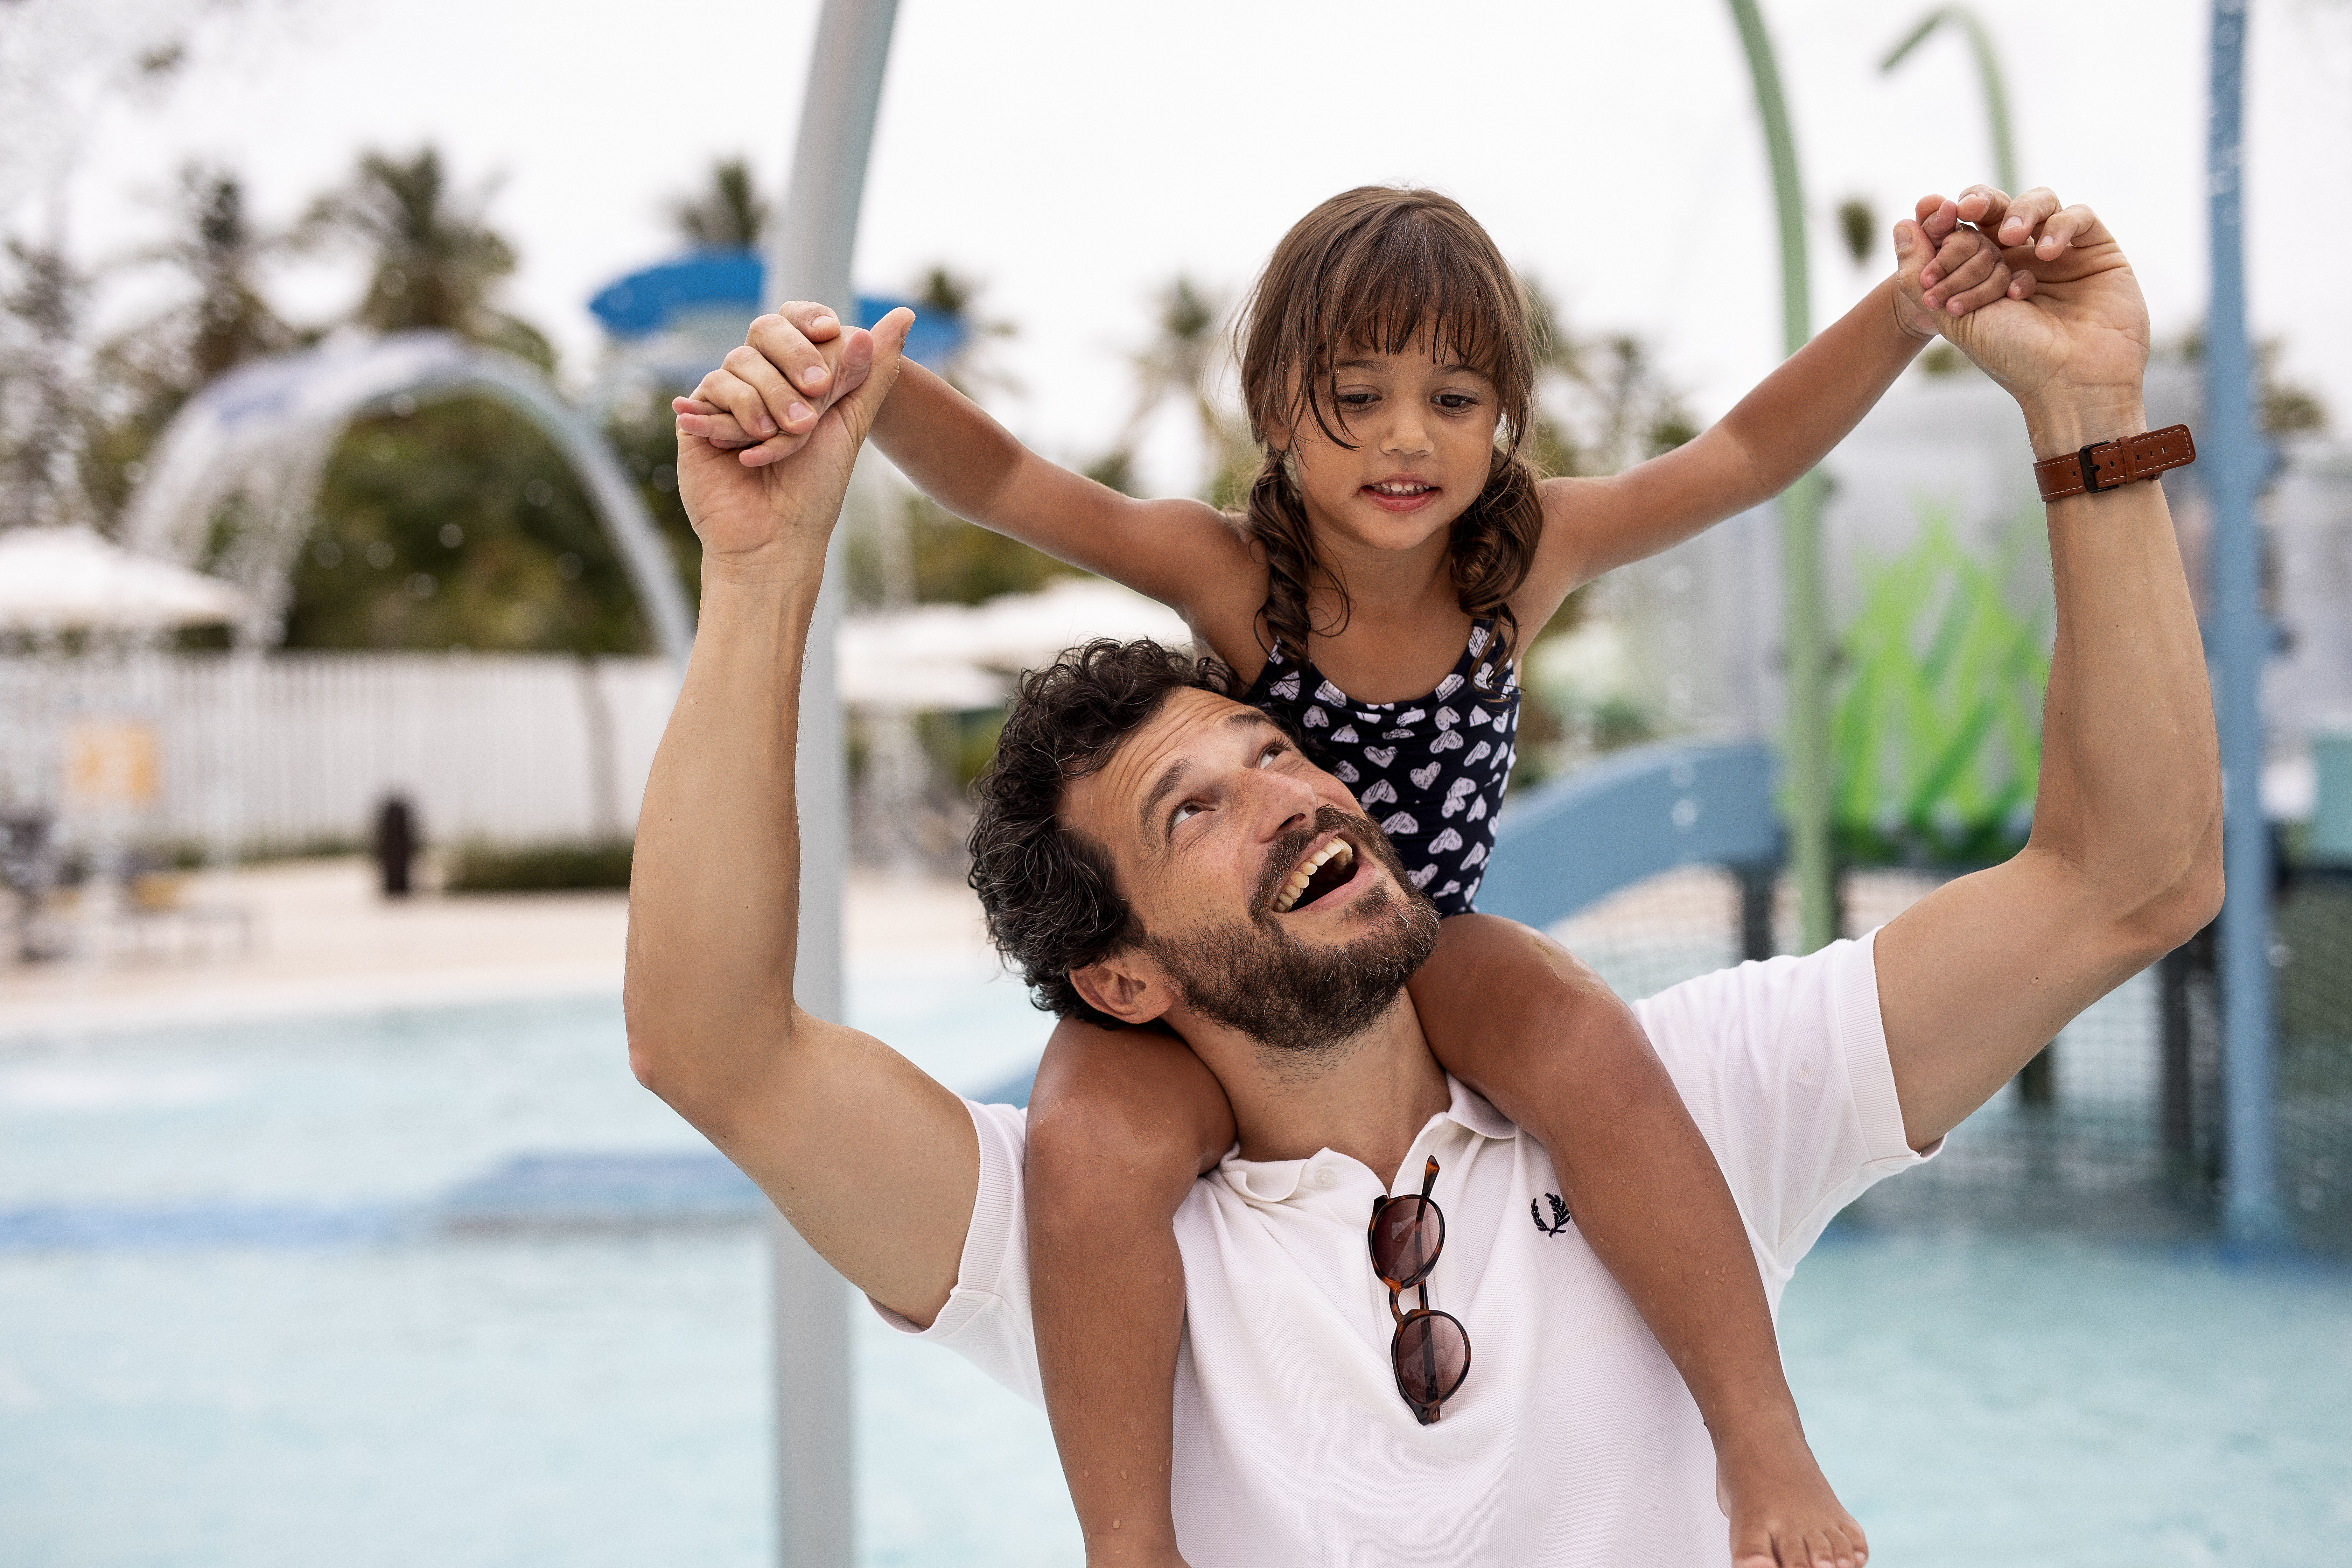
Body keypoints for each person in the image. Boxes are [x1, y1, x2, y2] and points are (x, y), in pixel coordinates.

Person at [626, 184, 2221, 1566]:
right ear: (1275, 412)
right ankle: (1128, 1540)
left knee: (1579, 1033)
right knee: (1087, 1145)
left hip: (1443, 937)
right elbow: (1021, 491)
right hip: (1229, 1037)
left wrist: (1922, 314)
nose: (1409, 439)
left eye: (1456, 401)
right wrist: (860, 404)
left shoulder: (1522, 562)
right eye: (1358, 397)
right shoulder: (1231, 574)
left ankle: (1759, 1427)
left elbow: (1744, 454)